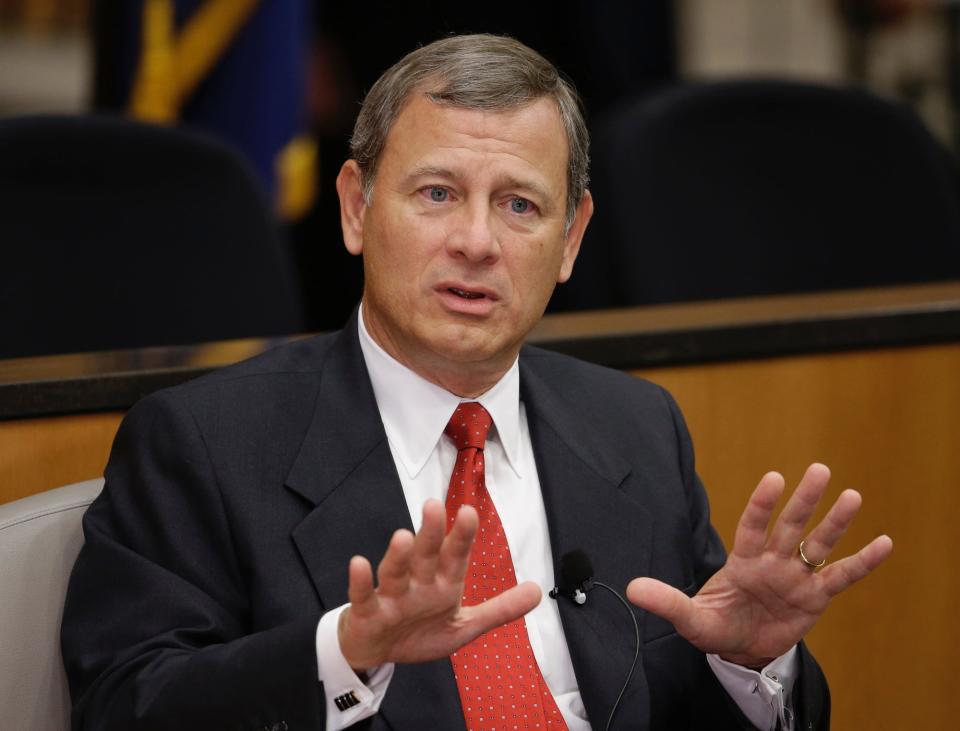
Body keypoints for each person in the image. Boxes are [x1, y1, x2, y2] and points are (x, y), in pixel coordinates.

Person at [61, 34, 892, 730]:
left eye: (520, 206)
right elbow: (127, 705)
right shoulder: (204, 442)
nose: (475, 241)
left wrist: (749, 661)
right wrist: (343, 652)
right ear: (356, 207)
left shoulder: (635, 426)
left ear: (571, 241)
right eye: (437, 192)